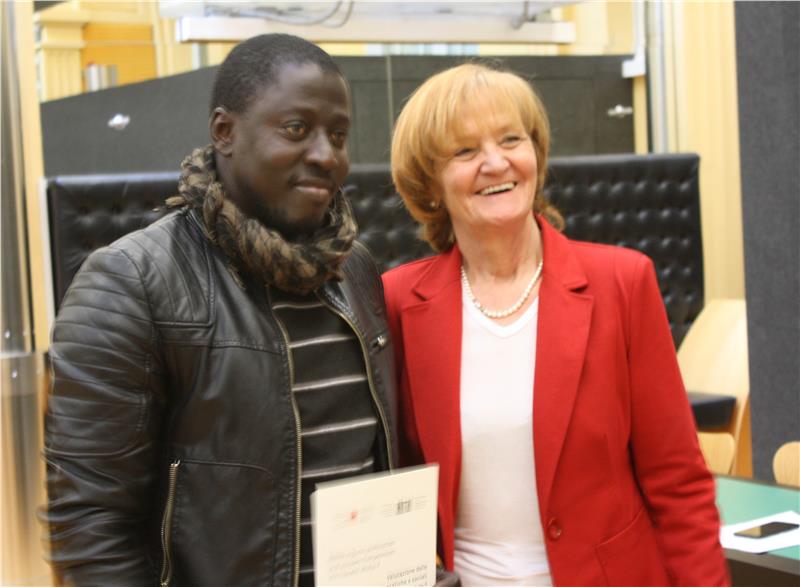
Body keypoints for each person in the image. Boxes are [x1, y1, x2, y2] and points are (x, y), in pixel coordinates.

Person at [43, 34, 398, 587]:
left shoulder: (354, 270)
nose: (326, 155)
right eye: (296, 129)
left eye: (338, 135)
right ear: (224, 132)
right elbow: (90, 525)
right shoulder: (131, 282)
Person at [382, 63, 729, 586]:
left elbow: (677, 482)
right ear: (430, 184)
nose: (495, 162)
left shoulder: (622, 283)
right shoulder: (399, 301)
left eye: (510, 140)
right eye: (465, 151)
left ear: (536, 155)